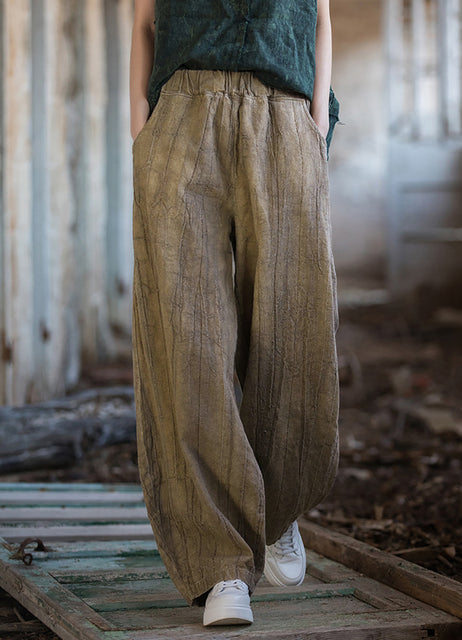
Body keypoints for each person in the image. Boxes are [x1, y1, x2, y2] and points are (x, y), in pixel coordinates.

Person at [130, 0, 340, 627]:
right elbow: (143, 20)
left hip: (284, 115)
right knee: (188, 334)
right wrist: (138, 124)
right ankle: (220, 563)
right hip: (182, 117)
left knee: (293, 325)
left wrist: (315, 122)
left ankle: (275, 510)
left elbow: (321, 17)